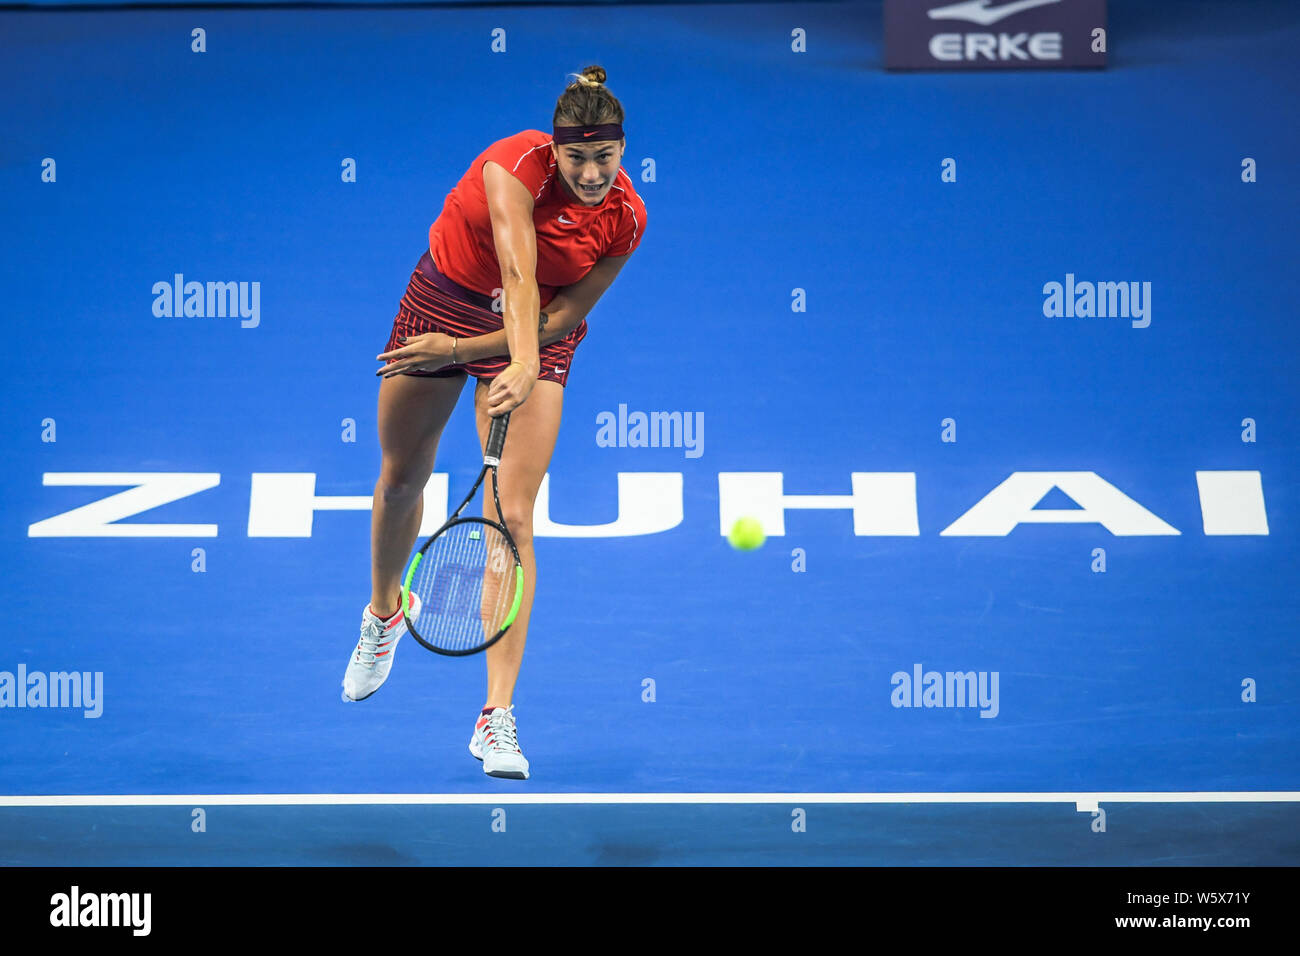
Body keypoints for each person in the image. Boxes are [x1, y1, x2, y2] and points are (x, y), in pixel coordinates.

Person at [341, 64, 648, 780]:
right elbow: (516, 272)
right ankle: (384, 614)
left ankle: (496, 718)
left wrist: (506, 357)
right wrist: (479, 350)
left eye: (606, 157)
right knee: (401, 475)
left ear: (623, 151)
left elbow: (564, 312)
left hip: (536, 332)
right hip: (445, 302)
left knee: (511, 516)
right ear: (556, 147)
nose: (593, 172)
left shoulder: (627, 218)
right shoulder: (514, 165)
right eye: (578, 157)